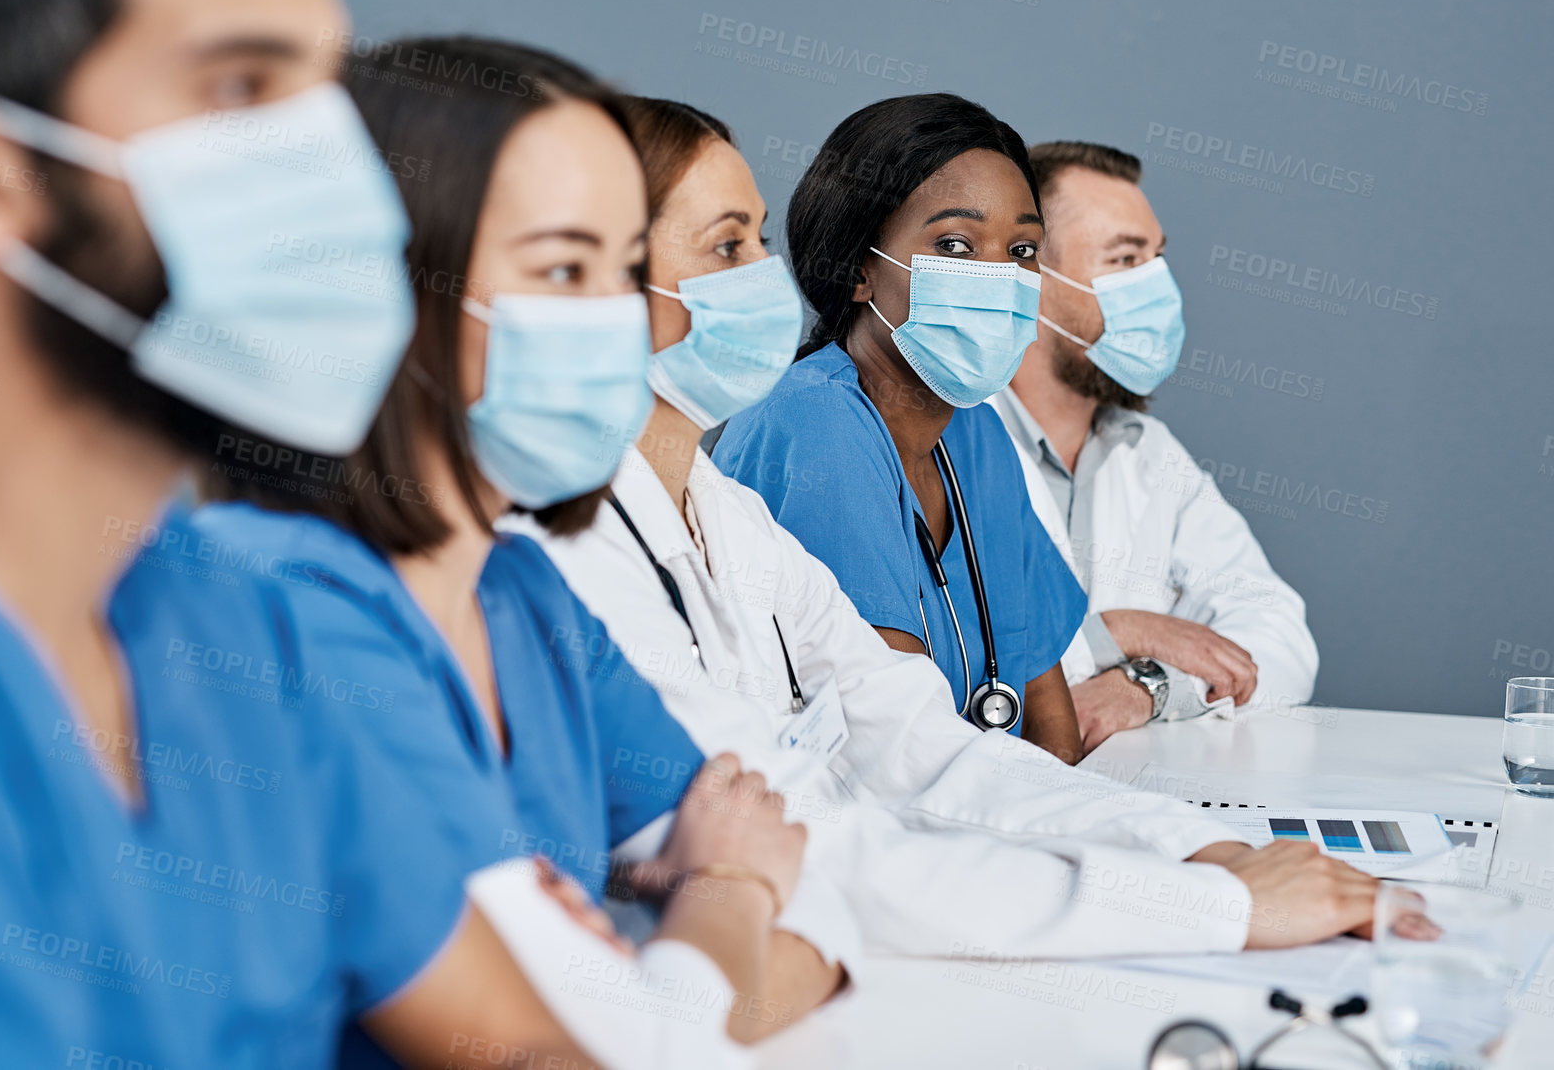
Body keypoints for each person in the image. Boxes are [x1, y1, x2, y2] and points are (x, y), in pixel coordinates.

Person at [0, 0, 779, 1067]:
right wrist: (723, 899)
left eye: (327, 96)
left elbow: (537, 1049)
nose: (349, 186)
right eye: (242, 88)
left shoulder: (234, 631)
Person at [513, 94, 1383, 961]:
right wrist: (1218, 907)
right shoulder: (560, 548)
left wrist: (1206, 851)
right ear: (593, 278)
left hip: (797, 953)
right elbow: (826, 839)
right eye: (727, 246)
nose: (760, 280)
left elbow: (922, 746)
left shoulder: (729, 518)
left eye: (760, 243)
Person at [194, 36, 850, 1060]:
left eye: (627, 269)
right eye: (561, 268)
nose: (618, 318)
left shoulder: (522, 593)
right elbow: (595, 1041)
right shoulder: (277, 613)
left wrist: (675, 987)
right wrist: (726, 896)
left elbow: (810, 900)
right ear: (386, 286)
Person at [712, 93, 1084, 761]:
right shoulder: (816, 425)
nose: (999, 275)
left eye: (1022, 248)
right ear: (859, 268)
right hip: (846, 832)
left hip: (977, 818)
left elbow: (1051, 720)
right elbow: (896, 749)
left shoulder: (978, 438)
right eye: (955, 245)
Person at [984, 140, 1319, 752]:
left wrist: (1146, 682)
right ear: (1028, 272)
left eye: (1156, 258)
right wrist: (1120, 632)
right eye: (1125, 258)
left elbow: (1280, 638)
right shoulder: (947, 441)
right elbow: (939, 671)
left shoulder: (1146, 450)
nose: (1157, 286)